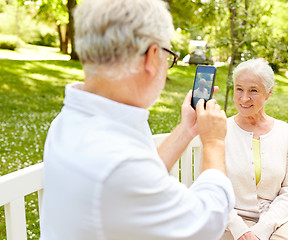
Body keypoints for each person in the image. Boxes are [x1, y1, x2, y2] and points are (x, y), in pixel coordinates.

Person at [39, 0, 235, 239]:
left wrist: (187, 129)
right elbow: (207, 222)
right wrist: (214, 143)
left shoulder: (69, 122)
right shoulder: (117, 163)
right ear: (152, 56)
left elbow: (143, 177)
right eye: (169, 56)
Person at [221, 59, 288, 240]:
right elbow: (212, 189)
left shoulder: (287, 133)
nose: (244, 98)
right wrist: (239, 229)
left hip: (275, 219)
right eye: (239, 89)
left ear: (269, 92)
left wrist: (263, 229)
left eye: (253, 90)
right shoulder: (220, 130)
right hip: (227, 219)